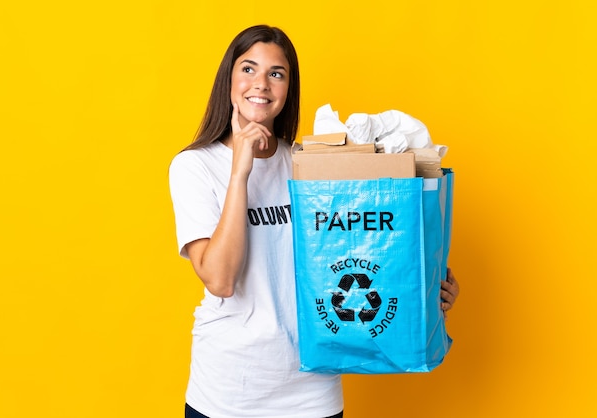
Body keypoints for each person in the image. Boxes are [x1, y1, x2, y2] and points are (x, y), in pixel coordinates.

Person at [169, 24, 460, 418]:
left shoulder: (309, 166)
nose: (262, 84)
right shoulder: (195, 166)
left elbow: (359, 248)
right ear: (229, 79)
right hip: (228, 391)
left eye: (277, 73)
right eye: (248, 69)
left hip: (311, 390)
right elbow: (219, 280)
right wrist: (240, 172)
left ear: (288, 88)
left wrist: (423, 288)